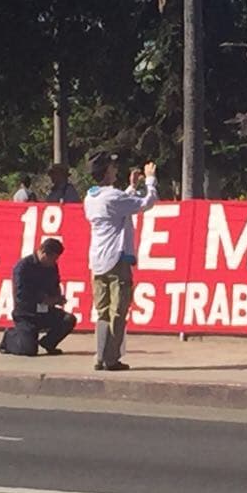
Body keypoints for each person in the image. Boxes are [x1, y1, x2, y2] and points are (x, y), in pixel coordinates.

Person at [83, 152, 158, 371]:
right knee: (118, 310)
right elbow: (146, 203)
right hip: (116, 258)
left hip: (97, 259)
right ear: (106, 171)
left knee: (103, 311)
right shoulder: (112, 197)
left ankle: (100, 355)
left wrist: (131, 187)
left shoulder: (91, 197)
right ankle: (111, 358)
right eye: (113, 167)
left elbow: (117, 206)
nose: (116, 169)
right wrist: (150, 179)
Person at [3, 238, 77, 355]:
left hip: (45, 311)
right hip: (26, 314)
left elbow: (55, 284)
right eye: (52, 258)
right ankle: (9, 338)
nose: (54, 262)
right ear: (43, 252)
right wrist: (43, 300)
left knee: (68, 320)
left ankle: (49, 342)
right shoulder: (23, 267)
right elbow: (21, 296)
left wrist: (57, 298)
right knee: (29, 350)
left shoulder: (52, 267)